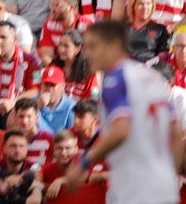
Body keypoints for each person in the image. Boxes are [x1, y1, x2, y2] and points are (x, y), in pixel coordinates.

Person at [58, 21, 179, 204]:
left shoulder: (115, 78)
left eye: (93, 47)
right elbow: (177, 134)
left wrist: (83, 164)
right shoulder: (150, 77)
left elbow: (121, 130)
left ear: (113, 46)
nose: (87, 53)